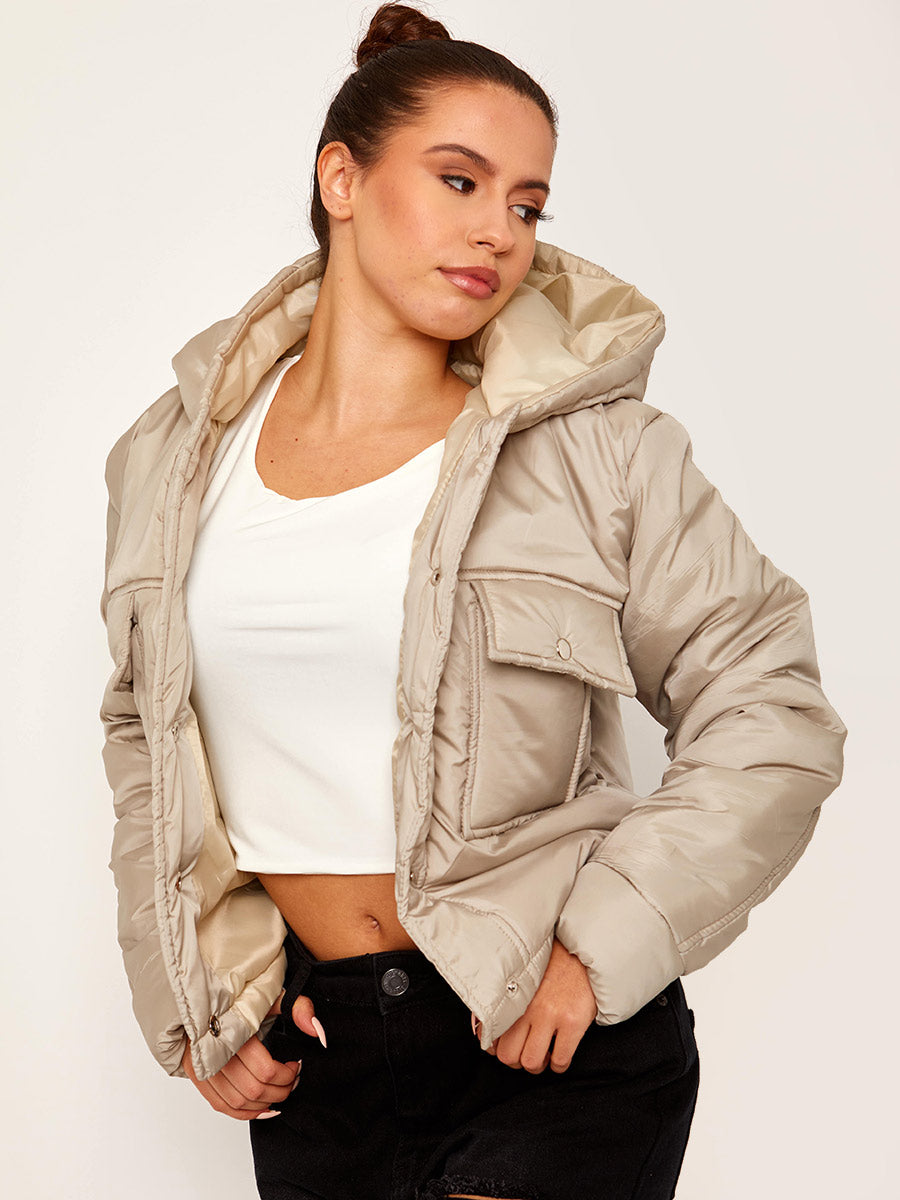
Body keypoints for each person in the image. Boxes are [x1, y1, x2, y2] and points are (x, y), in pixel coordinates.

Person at [98, 5, 847, 1199]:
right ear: (342, 180)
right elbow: (146, 738)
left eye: (528, 204)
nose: (499, 231)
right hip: (323, 1066)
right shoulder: (174, 459)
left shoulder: (600, 454)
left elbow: (772, 712)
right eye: (460, 181)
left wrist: (600, 950)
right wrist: (203, 993)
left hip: (548, 1044)